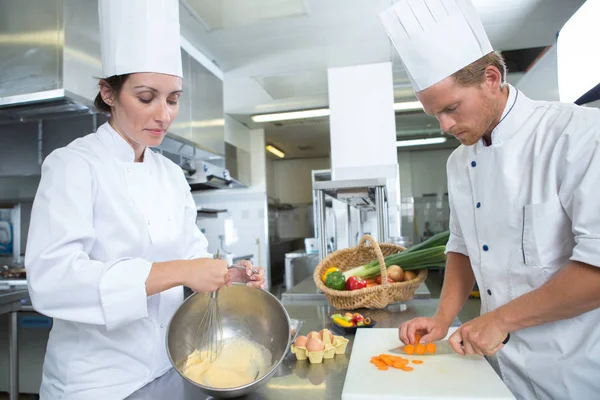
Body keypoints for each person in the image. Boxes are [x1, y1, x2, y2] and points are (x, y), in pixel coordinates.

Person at [24, 0, 265, 399]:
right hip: (95, 383)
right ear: (109, 92)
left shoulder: (170, 175)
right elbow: (52, 281)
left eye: (172, 99)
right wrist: (180, 272)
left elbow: (192, 258)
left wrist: (227, 276)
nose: (164, 115)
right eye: (146, 96)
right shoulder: (73, 165)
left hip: (170, 366)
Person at [380, 1, 600, 399]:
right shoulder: (459, 163)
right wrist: (442, 318)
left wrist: (500, 319)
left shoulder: (578, 135)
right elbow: (461, 247)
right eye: (435, 115)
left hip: (570, 372)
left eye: (451, 108)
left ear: (491, 78)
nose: (445, 125)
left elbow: (597, 270)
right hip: (491, 367)